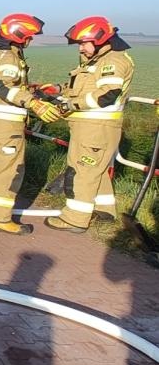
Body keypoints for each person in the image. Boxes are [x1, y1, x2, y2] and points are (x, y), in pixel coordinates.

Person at [0, 13, 63, 235]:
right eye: (30, 36)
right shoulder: (9, 57)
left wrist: (35, 92)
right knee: (9, 170)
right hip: (6, 124)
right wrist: (35, 104)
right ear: (20, 35)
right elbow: (4, 88)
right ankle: (0, 217)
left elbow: (6, 86)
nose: (31, 40)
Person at [45, 17, 135, 233]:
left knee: (83, 171)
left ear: (100, 40)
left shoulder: (112, 61)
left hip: (97, 128)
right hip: (91, 127)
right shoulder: (97, 60)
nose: (81, 48)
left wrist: (69, 104)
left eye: (84, 43)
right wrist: (58, 89)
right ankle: (104, 210)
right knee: (98, 169)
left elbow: (106, 95)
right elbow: (84, 87)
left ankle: (75, 219)